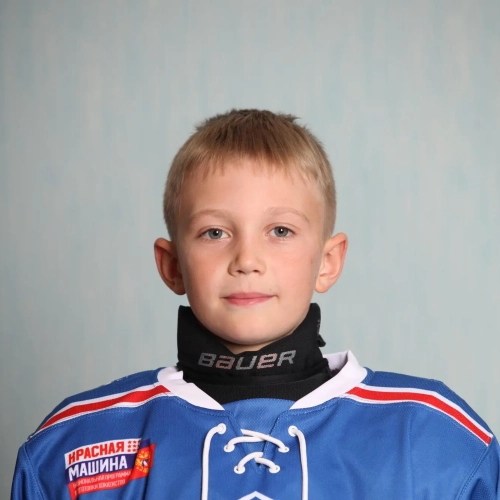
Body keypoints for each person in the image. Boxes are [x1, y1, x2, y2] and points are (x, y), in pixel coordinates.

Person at [12, 109, 499, 500]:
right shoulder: (71, 446)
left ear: (328, 261)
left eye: (280, 231)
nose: (247, 260)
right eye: (214, 233)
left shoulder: (435, 436)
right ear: (172, 265)